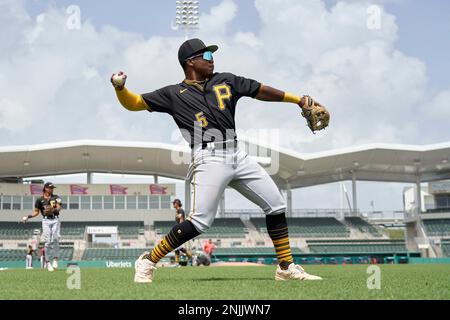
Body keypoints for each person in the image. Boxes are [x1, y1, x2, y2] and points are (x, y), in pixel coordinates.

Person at [111, 38, 322, 283]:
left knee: (275, 204)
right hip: (208, 157)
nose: (212, 60)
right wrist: (120, 89)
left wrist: (298, 100)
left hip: (237, 153)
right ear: (191, 61)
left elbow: (260, 90)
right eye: (207, 56)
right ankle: (148, 260)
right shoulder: (172, 94)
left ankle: (285, 267)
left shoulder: (226, 80)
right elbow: (134, 103)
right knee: (199, 222)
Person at [21, 182, 62, 272]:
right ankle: (48, 263)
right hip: (46, 221)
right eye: (50, 188)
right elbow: (36, 212)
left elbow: (59, 208)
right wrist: (28, 216)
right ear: (45, 188)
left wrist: (53, 209)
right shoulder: (39, 200)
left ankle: (55, 259)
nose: (52, 189)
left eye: (52, 188)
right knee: (47, 241)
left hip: (55, 219)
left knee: (55, 238)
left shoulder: (56, 197)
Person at [172, 199, 192, 265]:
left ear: (177, 204)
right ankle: (188, 256)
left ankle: (188, 256)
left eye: (174, 203)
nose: (173, 204)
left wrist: (180, 229)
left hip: (179, 230)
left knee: (176, 246)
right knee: (177, 246)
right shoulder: (178, 210)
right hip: (178, 230)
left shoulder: (180, 210)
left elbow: (182, 220)